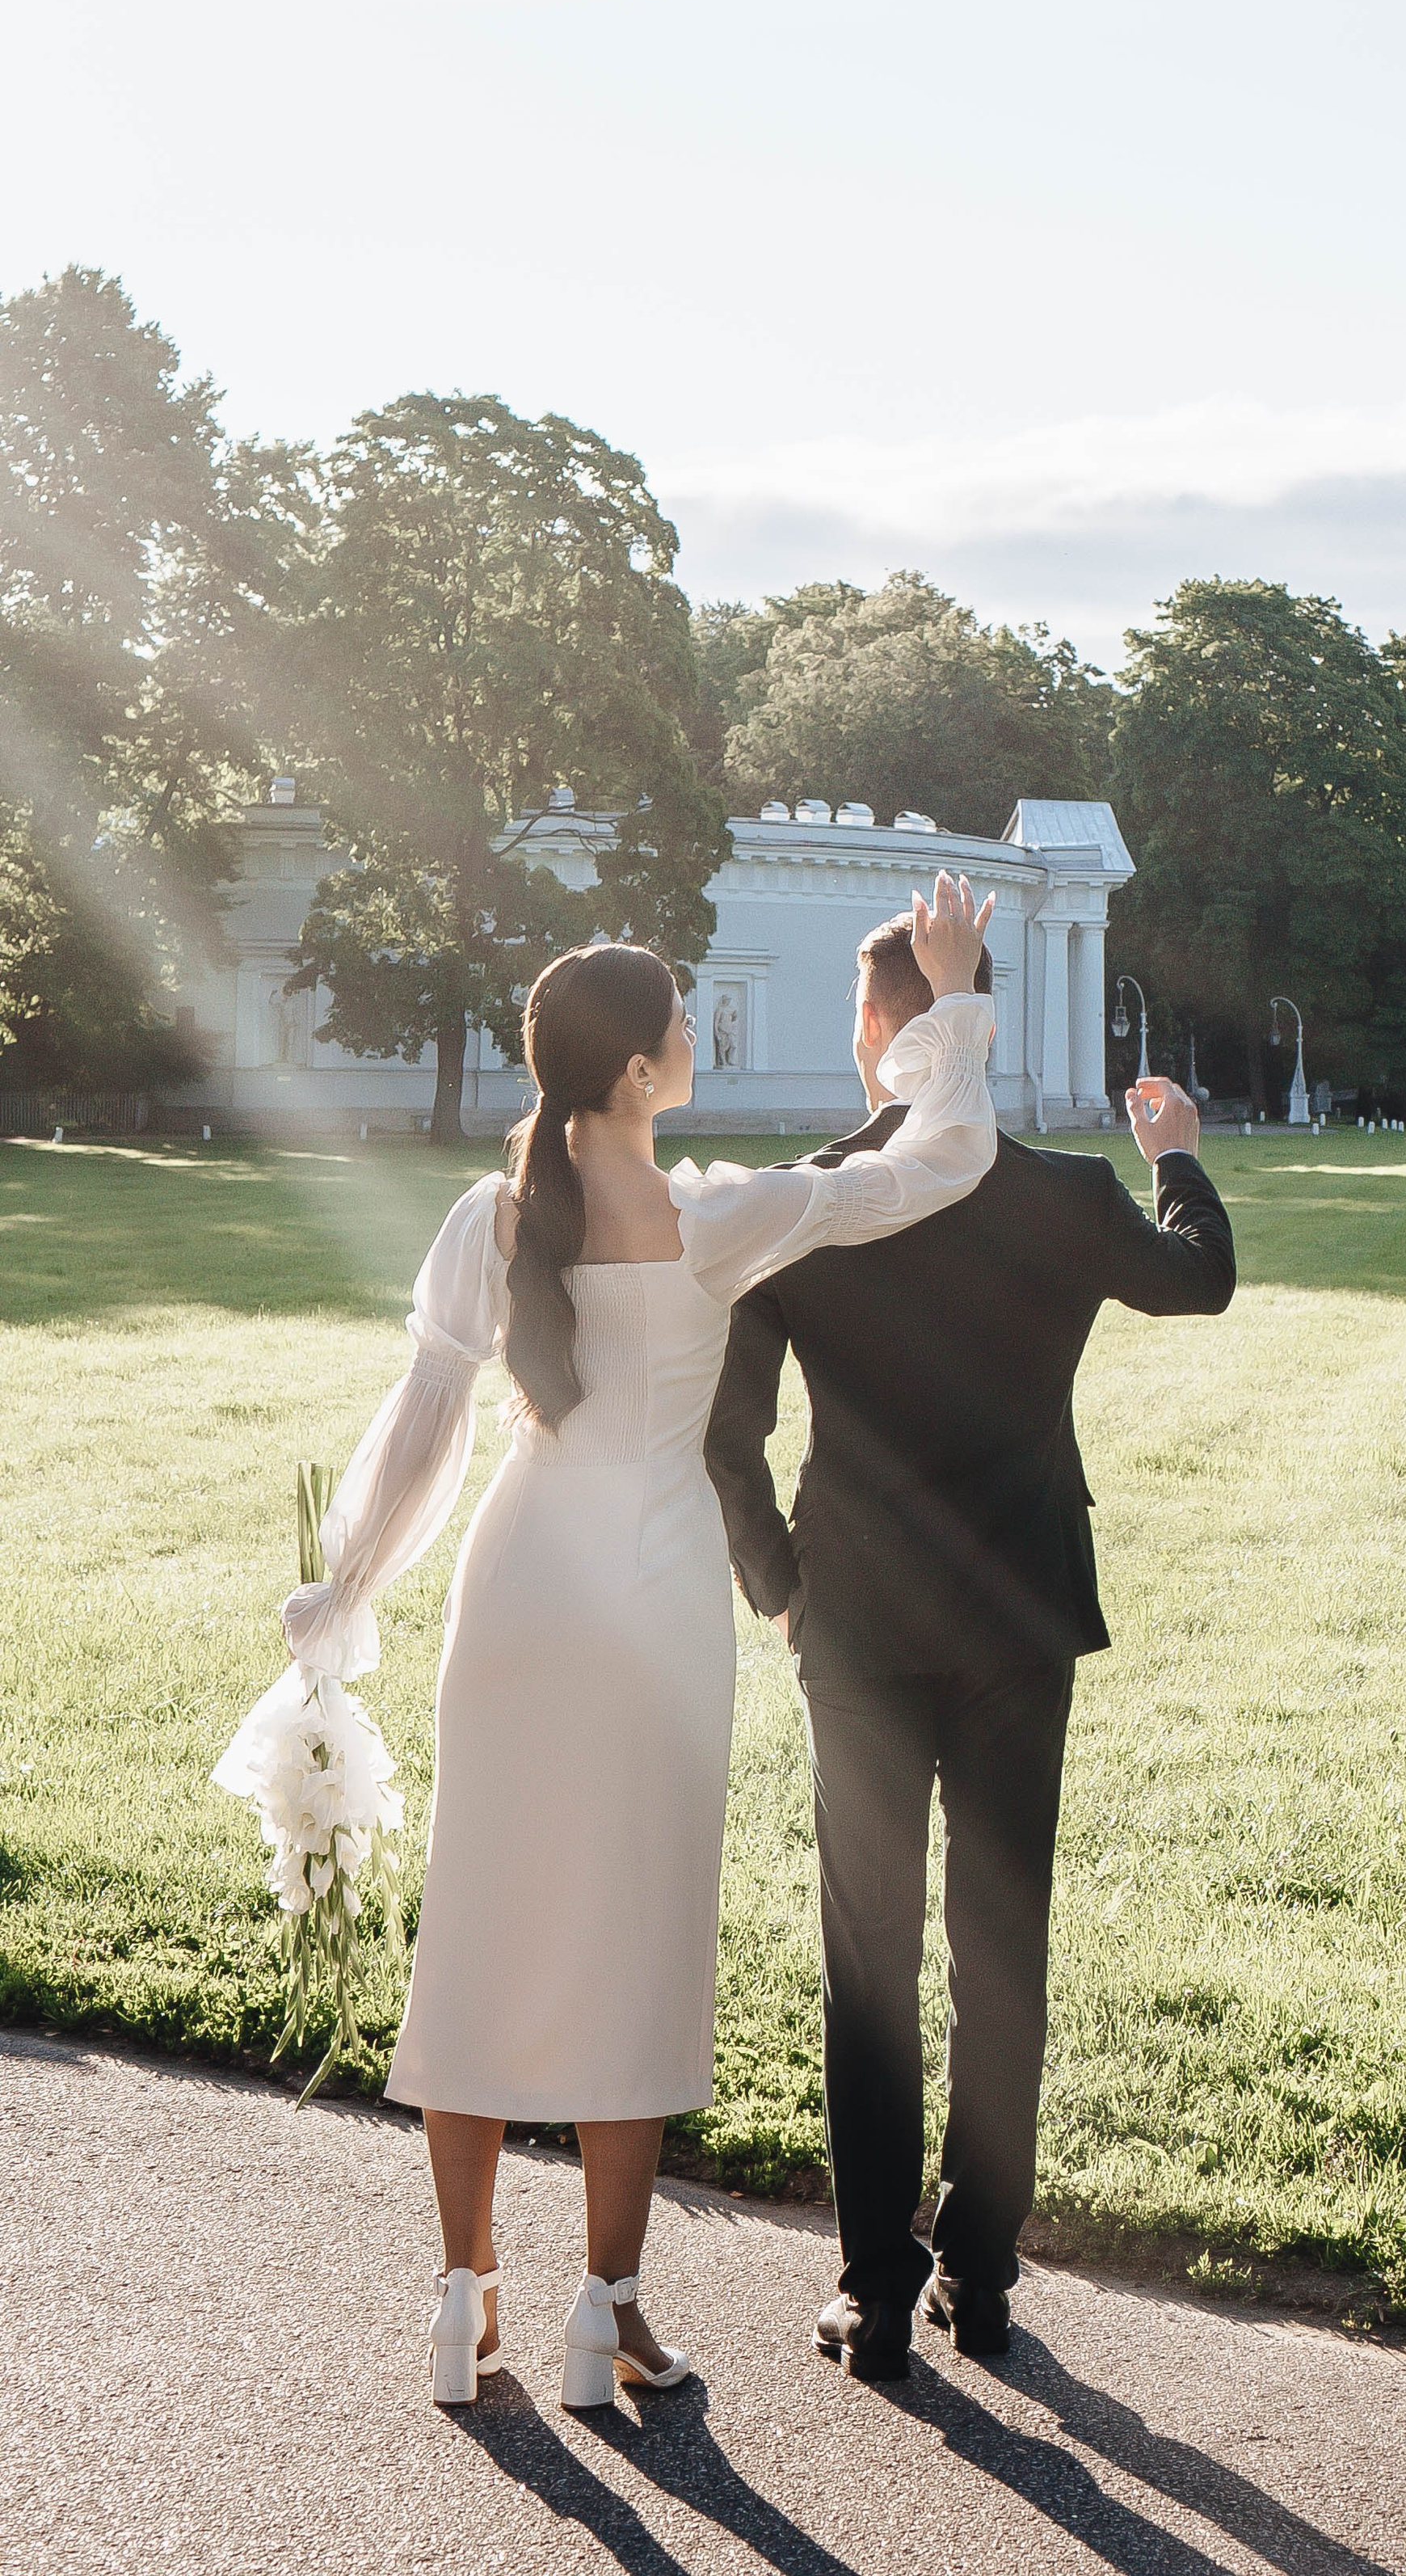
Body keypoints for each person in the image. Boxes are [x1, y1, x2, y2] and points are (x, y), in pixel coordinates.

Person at [218, 876, 996, 2409]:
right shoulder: (719, 1219)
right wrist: (955, 997)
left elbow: (425, 1427)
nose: (699, 1033)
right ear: (638, 1071)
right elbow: (940, 1162)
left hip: (517, 1592)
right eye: (683, 1022)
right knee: (637, 1942)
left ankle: (462, 2305)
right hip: (653, 1608)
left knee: (483, 1930)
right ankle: (606, 2316)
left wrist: (344, 1590)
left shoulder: (492, 1213)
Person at [706, 913, 1236, 2380]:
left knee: (868, 1959)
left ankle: (877, 2286)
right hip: (1018, 1611)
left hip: (859, 1616)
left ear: (883, 1033)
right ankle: (980, 2270)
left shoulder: (815, 1202)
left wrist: (777, 1582)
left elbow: (726, 1431)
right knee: (1003, 1950)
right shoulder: (1063, 1193)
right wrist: (1175, 1153)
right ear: (976, 1023)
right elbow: (1199, 1277)